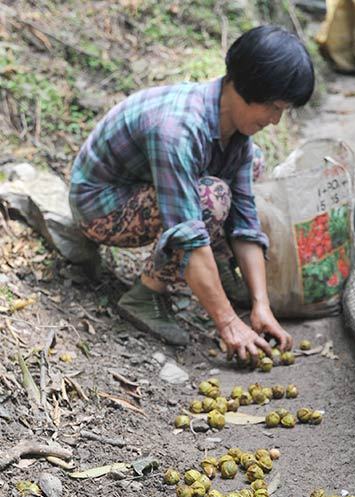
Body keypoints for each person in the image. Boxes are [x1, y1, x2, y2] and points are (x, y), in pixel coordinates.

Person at [69, 25, 315, 360]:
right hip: (101, 206)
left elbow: (245, 221)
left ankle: (218, 274)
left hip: (146, 189)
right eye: (273, 107)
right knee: (212, 199)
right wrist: (228, 323)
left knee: (251, 167)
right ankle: (145, 295)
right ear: (245, 88)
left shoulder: (236, 132)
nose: (275, 120)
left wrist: (262, 305)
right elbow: (188, 234)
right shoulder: (177, 129)